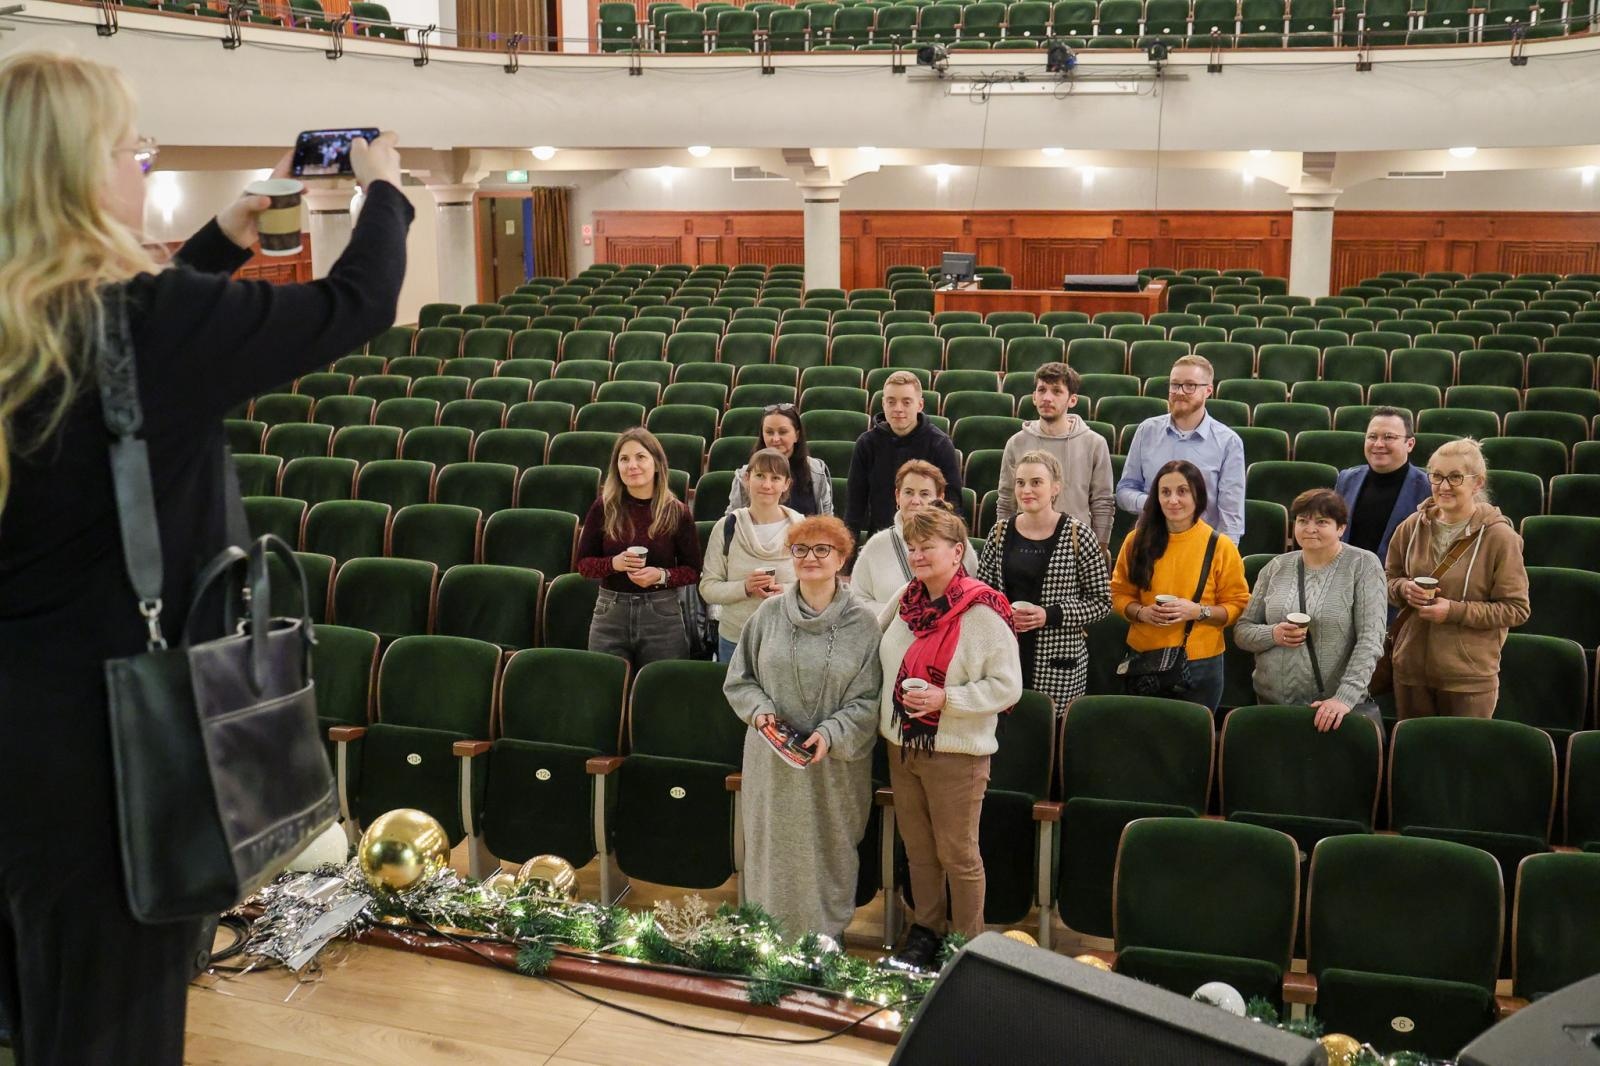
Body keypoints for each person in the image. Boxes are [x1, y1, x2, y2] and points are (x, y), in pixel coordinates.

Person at [0, 52, 411, 1065]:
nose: (143, 165)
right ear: (77, 172)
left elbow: (118, 374)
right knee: (107, 1030)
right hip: (115, 755)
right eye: (131, 150)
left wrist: (216, 248)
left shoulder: (41, 328)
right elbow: (354, 304)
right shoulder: (140, 325)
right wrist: (388, 189)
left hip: (18, 734)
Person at [723, 516, 883, 942]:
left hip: (833, 768)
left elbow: (870, 700)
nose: (810, 558)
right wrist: (759, 713)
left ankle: (824, 941)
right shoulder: (767, 614)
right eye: (800, 550)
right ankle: (765, 938)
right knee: (771, 850)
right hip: (771, 765)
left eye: (821, 550)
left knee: (825, 853)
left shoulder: (864, 624)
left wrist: (830, 733)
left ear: (842, 558)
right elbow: (739, 680)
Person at [878, 504, 1022, 969]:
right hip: (902, 745)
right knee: (918, 851)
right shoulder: (905, 602)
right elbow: (872, 647)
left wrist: (947, 699)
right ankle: (927, 930)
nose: (918, 555)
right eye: (912, 547)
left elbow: (1007, 688)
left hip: (956, 753)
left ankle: (966, 948)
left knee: (957, 854)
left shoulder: (982, 612)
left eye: (928, 546)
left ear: (957, 551)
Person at [1385, 438, 1529, 719]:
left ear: (1477, 483)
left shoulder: (1501, 538)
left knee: (1466, 761)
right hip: (1410, 671)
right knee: (1415, 760)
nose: (1443, 486)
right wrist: (1404, 589)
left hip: (1468, 679)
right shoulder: (1411, 526)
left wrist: (1453, 611)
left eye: (1455, 477)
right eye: (1437, 476)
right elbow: (1389, 578)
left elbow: (1516, 609)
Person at [1233, 490, 1387, 732]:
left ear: (1341, 528)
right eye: (1303, 520)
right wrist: (1273, 634)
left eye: (1322, 522)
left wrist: (1343, 698)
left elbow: (1371, 641)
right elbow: (1242, 631)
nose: (1310, 528)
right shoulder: (1275, 567)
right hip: (1271, 704)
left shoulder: (1363, 565)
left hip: (1332, 710)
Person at [1110, 460, 1251, 713]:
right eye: (1165, 492)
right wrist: (1141, 612)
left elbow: (1238, 604)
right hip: (1144, 657)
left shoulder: (1220, 546)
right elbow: (1119, 593)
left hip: (1200, 663)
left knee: (1191, 746)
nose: (1173, 500)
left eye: (1182, 491)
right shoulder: (1135, 541)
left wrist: (1198, 612)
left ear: (1198, 495)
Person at [978, 451, 1112, 717]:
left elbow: (1102, 602)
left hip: (1058, 662)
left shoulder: (1078, 533)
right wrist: (1003, 614)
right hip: (1005, 654)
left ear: (1055, 488)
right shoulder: (1000, 532)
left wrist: (1049, 615)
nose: (1026, 490)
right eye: (1020, 482)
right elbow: (982, 595)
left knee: (1049, 737)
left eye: (1036, 482)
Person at [576, 427, 703, 669]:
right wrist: (614, 563)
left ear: (656, 464)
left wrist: (661, 575)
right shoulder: (604, 507)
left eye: (640, 457)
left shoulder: (677, 511)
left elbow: (693, 570)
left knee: (662, 692)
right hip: (610, 613)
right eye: (624, 459)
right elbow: (583, 565)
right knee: (606, 689)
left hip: (662, 614)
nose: (631, 465)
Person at [1116, 354, 1246, 545]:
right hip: (1150, 542)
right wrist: (1154, 502)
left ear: (1208, 390)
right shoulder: (1146, 431)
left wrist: (1223, 559)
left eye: (1190, 385)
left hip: (1200, 547)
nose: (1179, 391)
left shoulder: (1229, 442)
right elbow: (1124, 490)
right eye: (1175, 385)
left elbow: (1231, 516)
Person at [700, 448, 804, 662]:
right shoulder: (726, 527)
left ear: (786, 484)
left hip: (788, 636)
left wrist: (785, 591)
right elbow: (708, 588)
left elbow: (817, 585)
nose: (767, 485)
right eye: (760, 476)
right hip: (735, 639)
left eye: (775, 478)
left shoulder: (802, 529)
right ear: (747, 479)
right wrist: (745, 588)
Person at [994, 363, 1115, 548]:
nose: (1047, 398)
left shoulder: (1095, 444)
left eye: (1057, 391)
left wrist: (1098, 547)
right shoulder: (1016, 443)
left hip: (1076, 544)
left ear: (1072, 400)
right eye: (1042, 390)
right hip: (1024, 543)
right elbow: (1006, 499)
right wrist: (1003, 542)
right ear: (1034, 397)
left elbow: (1102, 502)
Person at [851, 459, 978, 617]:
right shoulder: (875, 546)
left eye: (924, 494)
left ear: (940, 497)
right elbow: (857, 600)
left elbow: (972, 597)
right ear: (897, 496)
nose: (915, 501)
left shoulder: (957, 544)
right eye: (908, 492)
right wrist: (900, 614)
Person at [846, 371, 963, 537]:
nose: (898, 409)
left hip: (927, 538)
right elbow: (854, 508)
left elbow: (952, 506)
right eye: (891, 402)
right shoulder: (866, 444)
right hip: (882, 539)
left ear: (920, 405)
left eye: (906, 402)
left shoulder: (940, 444)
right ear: (883, 404)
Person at [1335, 407, 1432, 563]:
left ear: (1410, 444)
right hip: (1346, 577)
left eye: (1389, 437)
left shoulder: (1428, 488)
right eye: (1372, 436)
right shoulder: (1346, 479)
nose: (1378, 444)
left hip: (1397, 582)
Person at [725, 403, 834, 516]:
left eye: (783, 432)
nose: (775, 439)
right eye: (769, 432)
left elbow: (827, 519)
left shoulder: (816, 470)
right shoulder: (745, 475)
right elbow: (732, 520)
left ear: (797, 435)